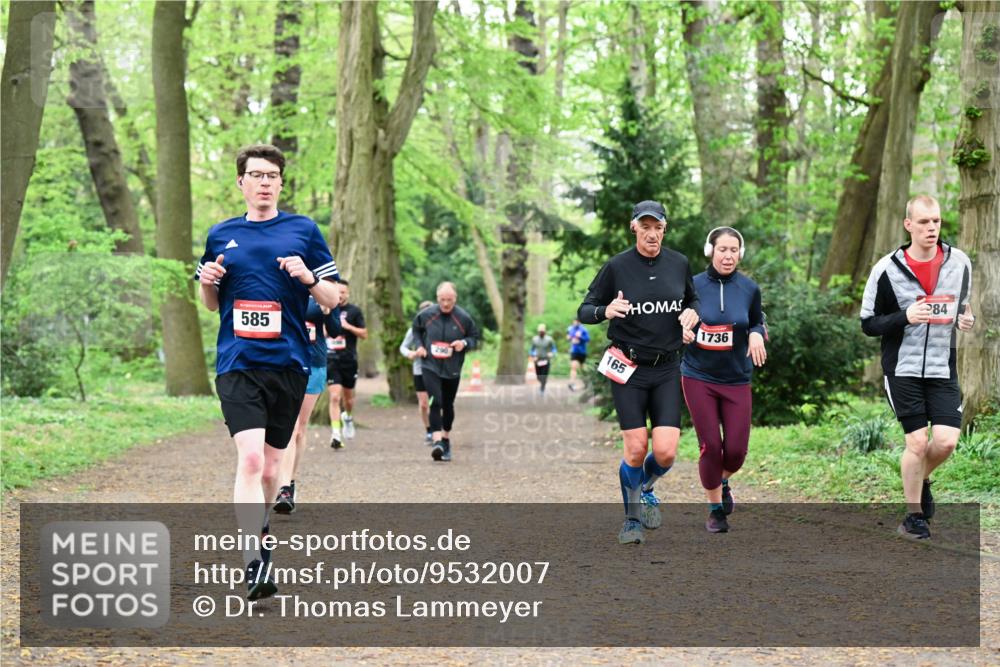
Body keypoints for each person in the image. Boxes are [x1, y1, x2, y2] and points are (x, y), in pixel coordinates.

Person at [195, 144, 340, 599]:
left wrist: (309, 279)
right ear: (240, 182)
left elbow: (334, 300)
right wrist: (206, 285)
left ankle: (263, 546)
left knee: (273, 466)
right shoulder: (220, 235)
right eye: (255, 174)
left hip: (290, 363)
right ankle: (254, 560)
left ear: (280, 183)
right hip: (238, 363)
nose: (264, 182)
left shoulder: (304, 231)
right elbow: (212, 304)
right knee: (251, 460)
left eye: (271, 175)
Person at [577, 200, 700, 545]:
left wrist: (693, 315)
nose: (651, 233)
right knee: (635, 448)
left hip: (667, 368)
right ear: (634, 227)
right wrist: (606, 310)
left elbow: (692, 300)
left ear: (664, 228)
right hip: (628, 368)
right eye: (645, 227)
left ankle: (645, 485)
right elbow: (584, 310)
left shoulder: (678, 263)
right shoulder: (617, 267)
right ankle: (631, 521)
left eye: (657, 227)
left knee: (665, 452)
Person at [860, 194, 975, 540]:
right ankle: (913, 517)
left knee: (945, 443)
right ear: (908, 224)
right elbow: (868, 323)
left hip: (942, 367)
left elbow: (962, 308)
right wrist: (904, 317)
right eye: (924, 222)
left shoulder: (960, 263)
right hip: (903, 369)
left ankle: (921, 479)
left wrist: (965, 319)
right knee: (916, 442)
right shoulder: (886, 269)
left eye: (936, 221)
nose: (932, 228)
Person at [681, 227, 767, 534]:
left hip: (736, 378)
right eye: (722, 250)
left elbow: (757, 319)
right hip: (698, 376)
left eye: (734, 250)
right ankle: (715, 509)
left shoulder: (749, 288)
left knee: (735, 452)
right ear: (710, 251)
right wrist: (683, 331)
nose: (728, 256)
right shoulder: (691, 286)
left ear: (740, 254)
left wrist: (757, 333)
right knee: (711, 446)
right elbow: (677, 320)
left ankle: (723, 480)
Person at [273, 294, 341, 514]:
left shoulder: (323, 291)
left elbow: (336, 331)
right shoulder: (279, 289)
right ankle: (283, 489)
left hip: (313, 366)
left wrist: (328, 313)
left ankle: (290, 482)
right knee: (290, 428)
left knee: (300, 429)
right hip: (283, 364)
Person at [412, 282, 480, 462]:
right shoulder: (427, 315)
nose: (446, 304)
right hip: (430, 366)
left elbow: (474, 338)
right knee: (436, 400)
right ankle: (437, 443)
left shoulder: (463, 318)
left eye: (449, 300)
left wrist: (463, 344)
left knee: (448, 404)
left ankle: (446, 439)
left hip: (452, 369)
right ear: (437, 298)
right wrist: (419, 346)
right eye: (442, 300)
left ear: (455, 299)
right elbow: (416, 330)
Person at [325, 280, 367, 449]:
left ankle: (348, 417)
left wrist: (348, 326)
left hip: (349, 360)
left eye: (343, 292)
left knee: (348, 399)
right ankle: (336, 434)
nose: (340, 295)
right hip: (331, 359)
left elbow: (364, 334)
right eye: (338, 292)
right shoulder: (326, 309)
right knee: (335, 397)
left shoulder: (354, 311)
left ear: (348, 293)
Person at [400, 300, 435, 444]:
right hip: (419, 369)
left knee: (438, 402)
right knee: (424, 404)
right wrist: (412, 354)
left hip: (437, 369)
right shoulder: (413, 330)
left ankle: (438, 430)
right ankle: (429, 430)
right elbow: (403, 347)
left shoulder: (439, 329)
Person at [529, 324, 558, 396]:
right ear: (538, 331)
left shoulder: (549, 339)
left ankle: (542, 389)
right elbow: (531, 350)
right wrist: (533, 355)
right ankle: (543, 383)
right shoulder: (534, 339)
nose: (541, 333)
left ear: (545, 331)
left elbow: (554, 349)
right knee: (539, 376)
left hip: (546, 360)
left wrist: (552, 353)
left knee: (544, 375)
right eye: (540, 331)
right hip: (538, 360)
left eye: (542, 331)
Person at [566, 319, 590, 391]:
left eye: (576, 321)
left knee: (582, 369)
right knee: (573, 367)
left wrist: (580, 337)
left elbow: (588, 339)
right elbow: (568, 337)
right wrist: (570, 338)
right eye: (573, 321)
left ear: (579, 322)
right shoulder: (570, 328)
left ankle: (587, 382)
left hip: (582, 352)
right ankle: (572, 383)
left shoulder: (583, 329)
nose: (574, 323)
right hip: (574, 351)